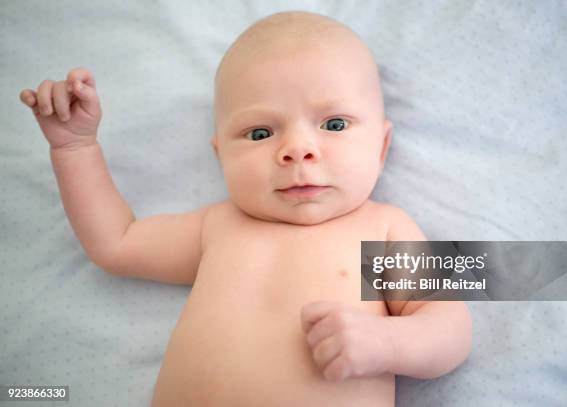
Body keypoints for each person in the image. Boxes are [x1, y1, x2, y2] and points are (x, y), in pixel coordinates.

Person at [19, 10, 472, 407]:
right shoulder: (217, 226)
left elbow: (448, 323)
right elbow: (115, 243)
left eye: (334, 124)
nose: (297, 150)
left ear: (381, 147)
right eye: (259, 134)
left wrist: (389, 342)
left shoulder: (381, 229)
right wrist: (76, 148)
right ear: (221, 157)